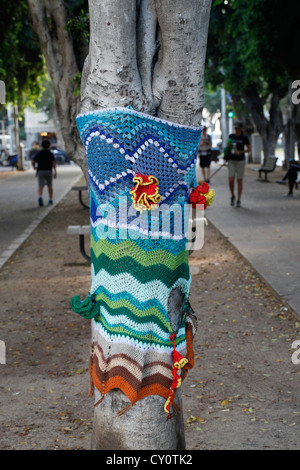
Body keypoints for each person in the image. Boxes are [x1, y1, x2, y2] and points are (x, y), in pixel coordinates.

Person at [226, 122, 251, 208]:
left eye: (237, 128)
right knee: (231, 179)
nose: (236, 129)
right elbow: (227, 146)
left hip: (240, 161)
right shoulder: (231, 136)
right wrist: (228, 148)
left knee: (239, 180)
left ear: (240, 129)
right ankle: (232, 195)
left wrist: (241, 152)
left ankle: (239, 199)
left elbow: (249, 149)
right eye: (235, 128)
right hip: (231, 160)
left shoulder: (244, 138)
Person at [32, 139, 57, 207]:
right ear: (49, 146)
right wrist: (55, 172)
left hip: (40, 171)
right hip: (49, 171)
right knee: (50, 186)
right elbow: (53, 163)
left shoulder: (39, 153)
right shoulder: (50, 154)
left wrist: (34, 167)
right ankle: (50, 199)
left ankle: (40, 197)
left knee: (41, 185)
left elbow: (33, 161)